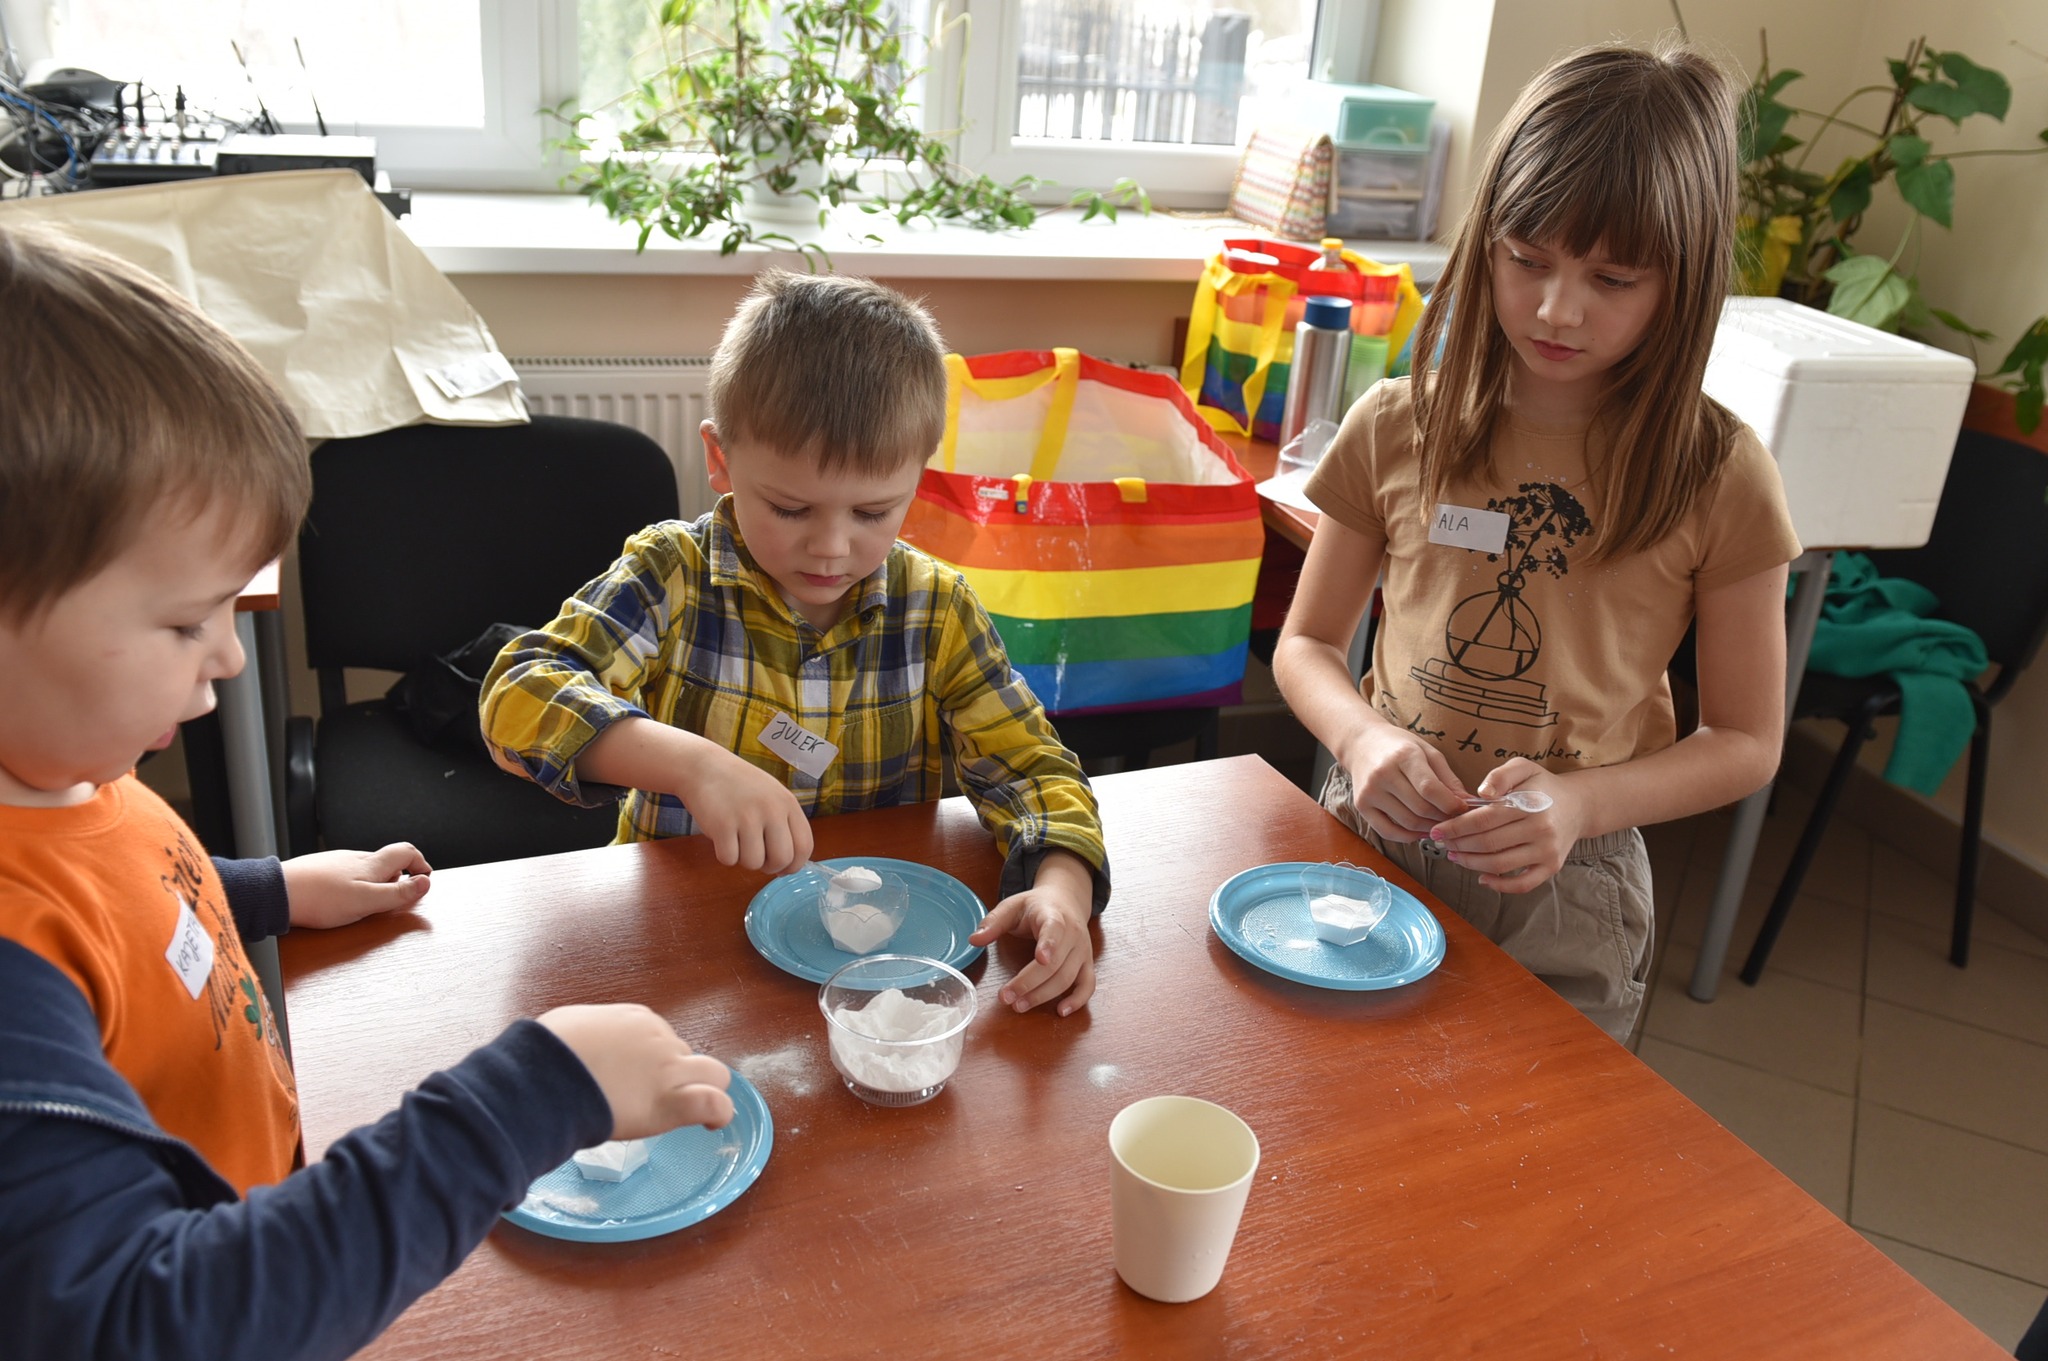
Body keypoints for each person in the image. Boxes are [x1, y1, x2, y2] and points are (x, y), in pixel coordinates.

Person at [0, 222, 736, 1360]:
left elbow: (121, 901)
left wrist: (269, 890)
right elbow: (148, 1320)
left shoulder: (64, 777)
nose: (229, 655)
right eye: (186, 621)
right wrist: (524, 1100)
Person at [1272, 43, 1800, 1042]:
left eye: (1611, 277)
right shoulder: (1395, 424)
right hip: (1371, 840)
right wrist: (1362, 737)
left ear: (1681, 283)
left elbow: (1744, 741)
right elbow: (1306, 644)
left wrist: (1578, 806)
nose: (1557, 308)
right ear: (1486, 245)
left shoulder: (1719, 473)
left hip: (1567, 881)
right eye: (1526, 259)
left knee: (1531, 1131)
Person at [482, 270, 1108, 1016]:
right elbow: (519, 693)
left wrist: (1062, 887)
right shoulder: (673, 574)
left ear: (919, 476)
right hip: (687, 944)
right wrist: (691, 764)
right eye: (789, 508)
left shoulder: (937, 608)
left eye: (873, 512)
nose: (832, 547)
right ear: (721, 458)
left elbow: (1033, 767)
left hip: (876, 970)